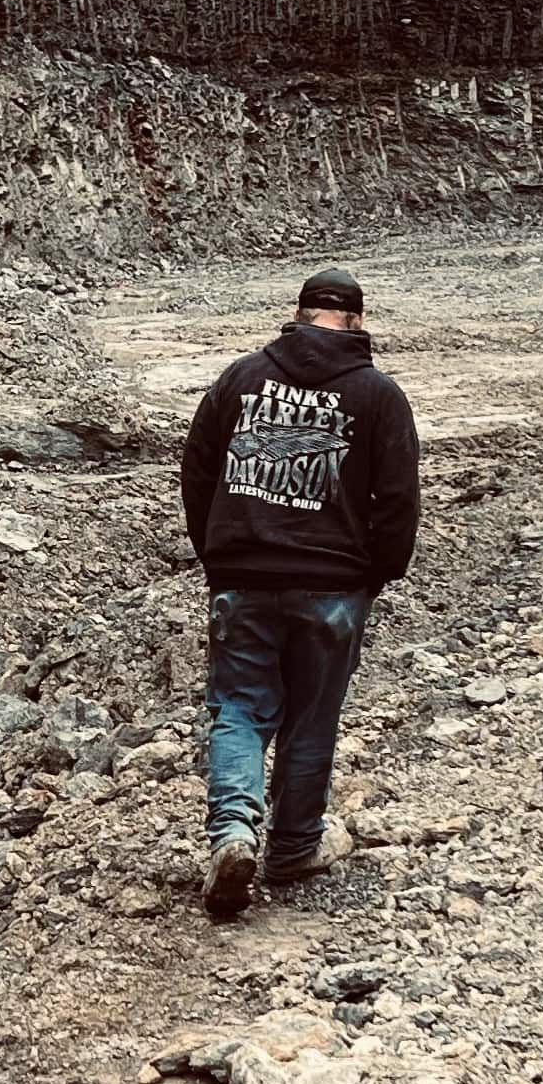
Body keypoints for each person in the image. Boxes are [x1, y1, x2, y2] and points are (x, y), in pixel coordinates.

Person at [180, 269, 421, 920]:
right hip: (332, 586)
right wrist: (377, 573)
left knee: (238, 708)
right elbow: (398, 500)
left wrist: (221, 554)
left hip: (244, 579)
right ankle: (290, 850)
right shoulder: (377, 395)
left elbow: (197, 468)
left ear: (298, 313)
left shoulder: (239, 377)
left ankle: (233, 832)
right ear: (357, 321)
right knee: (310, 718)